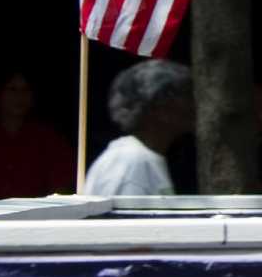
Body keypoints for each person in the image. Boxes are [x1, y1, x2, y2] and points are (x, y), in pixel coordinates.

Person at [83, 60, 195, 197]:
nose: (194, 103)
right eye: (186, 95)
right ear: (158, 107)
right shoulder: (130, 164)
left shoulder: (142, 159)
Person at [0, 71, 74, 199]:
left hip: (34, 215)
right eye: (12, 90)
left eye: (25, 90)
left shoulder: (48, 138)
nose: (20, 96)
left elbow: (62, 185)